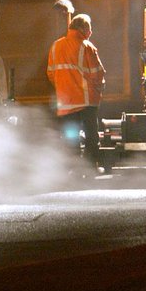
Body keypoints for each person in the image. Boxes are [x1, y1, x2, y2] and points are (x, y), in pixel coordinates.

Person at [47, 12, 106, 173]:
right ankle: (91, 168)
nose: (91, 32)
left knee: (70, 137)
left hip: (66, 103)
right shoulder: (87, 47)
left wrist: (64, 87)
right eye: (89, 28)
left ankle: (72, 170)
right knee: (91, 135)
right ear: (82, 29)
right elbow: (98, 74)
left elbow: (51, 73)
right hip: (86, 101)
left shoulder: (55, 46)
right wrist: (99, 88)